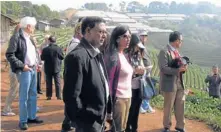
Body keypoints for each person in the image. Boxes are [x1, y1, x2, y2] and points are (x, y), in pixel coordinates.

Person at [63, 16, 108, 132]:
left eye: (105, 32)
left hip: (97, 119)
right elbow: (71, 96)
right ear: (88, 31)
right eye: (100, 32)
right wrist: (85, 118)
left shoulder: (96, 53)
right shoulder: (77, 57)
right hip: (88, 123)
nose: (104, 35)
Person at [6, 16, 43, 130]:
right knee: (24, 96)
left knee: (33, 94)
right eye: (33, 26)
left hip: (33, 69)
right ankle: (23, 120)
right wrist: (22, 66)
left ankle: (31, 116)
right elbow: (9, 54)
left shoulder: (30, 38)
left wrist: (37, 63)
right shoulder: (16, 38)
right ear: (28, 26)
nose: (34, 28)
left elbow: (34, 53)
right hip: (24, 70)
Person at [105, 25, 133, 132]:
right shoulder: (112, 57)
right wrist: (109, 104)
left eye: (129, 37)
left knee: (122, 127)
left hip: (127, 96)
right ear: (117, 38)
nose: (128, 39)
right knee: (117, 128)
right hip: (118, 98)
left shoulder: (124, 55)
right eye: (125, 36)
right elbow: (108, 82)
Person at [158, 31, 187, 132]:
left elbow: (177, 66)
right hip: (169, 83)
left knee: (180, 104)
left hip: (179, 82)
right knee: (168, 106)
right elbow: (163, 68)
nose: (181, 42)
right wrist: (178, 70)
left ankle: (180, 126)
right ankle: (166, 126)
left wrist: (183, 68)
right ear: (176, 40)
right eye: (181, 40)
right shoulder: (164, 51)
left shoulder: (177, 52)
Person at [61, 18, 83, 132]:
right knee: (73, 100)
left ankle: (67, 124)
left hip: (69, 73)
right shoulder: (76, 44)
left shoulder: (72, 41)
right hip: (73, 75)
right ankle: (68, 124)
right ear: (79, 32)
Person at [125, 34, 146, 132]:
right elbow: (124, 70)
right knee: (130, 108)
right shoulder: (126, 55)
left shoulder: (138, 55)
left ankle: (134, 127)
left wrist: (143, 70)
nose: (138, 48)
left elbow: (142, 66)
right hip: (130, 85)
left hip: (139, 85)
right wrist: (134, 71)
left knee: (137, 107)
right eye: (137, 46)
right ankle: (127, 127)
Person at [2, 24, 20, 116]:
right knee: (14, 89)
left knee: (21, 89)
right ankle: (6, 109)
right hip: (15, 70)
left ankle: (28, 107)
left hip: (17, 69)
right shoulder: (15, 39)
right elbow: (10, 55)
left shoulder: (16, 39)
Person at [41, 35, 64, 100]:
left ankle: (49, 96)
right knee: (57, 82)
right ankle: (59, 95)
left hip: (48, 68)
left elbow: (42, 58)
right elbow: (62, 57)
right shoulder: (58, 48)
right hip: (56, 68)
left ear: (49, 41)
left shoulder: (45, 49)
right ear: (55, 41)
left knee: (49, 82)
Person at [139, 30, 155, 113]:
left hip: (147, 71)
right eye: (142, 35)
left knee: (148, 88)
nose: (144, 37)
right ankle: (141, 106)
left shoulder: (144, 47)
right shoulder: (139, 47)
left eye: (145, 36)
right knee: (143, 89)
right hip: (142, 71)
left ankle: (146, 105)